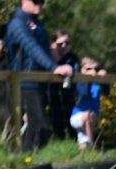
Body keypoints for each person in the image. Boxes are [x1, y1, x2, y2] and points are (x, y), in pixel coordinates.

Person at [4, 0, 71, 150]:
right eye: (36, 0)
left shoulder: (38, 24)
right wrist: (54, 67)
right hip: (22, 83)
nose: (40, 4)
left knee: (38, 128)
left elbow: (44, 51)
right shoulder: (17, 23)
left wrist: (58, 64)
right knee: (37, 127)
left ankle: (28, 160)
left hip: (39, 83)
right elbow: (31, 47)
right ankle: (22, 161)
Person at [68, 52, 104, 147]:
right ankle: (92, 145)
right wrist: (87, 77)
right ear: (82, 69)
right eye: (88, 69)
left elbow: (106, 90)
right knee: (89, 115)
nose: (93, 71)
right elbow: (80, 89)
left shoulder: (98, 83)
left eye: (96, 69)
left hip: (92, 118)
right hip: (78, 117)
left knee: (83, 143)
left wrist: (103, 77)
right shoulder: (79, 81)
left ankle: (86, 155)